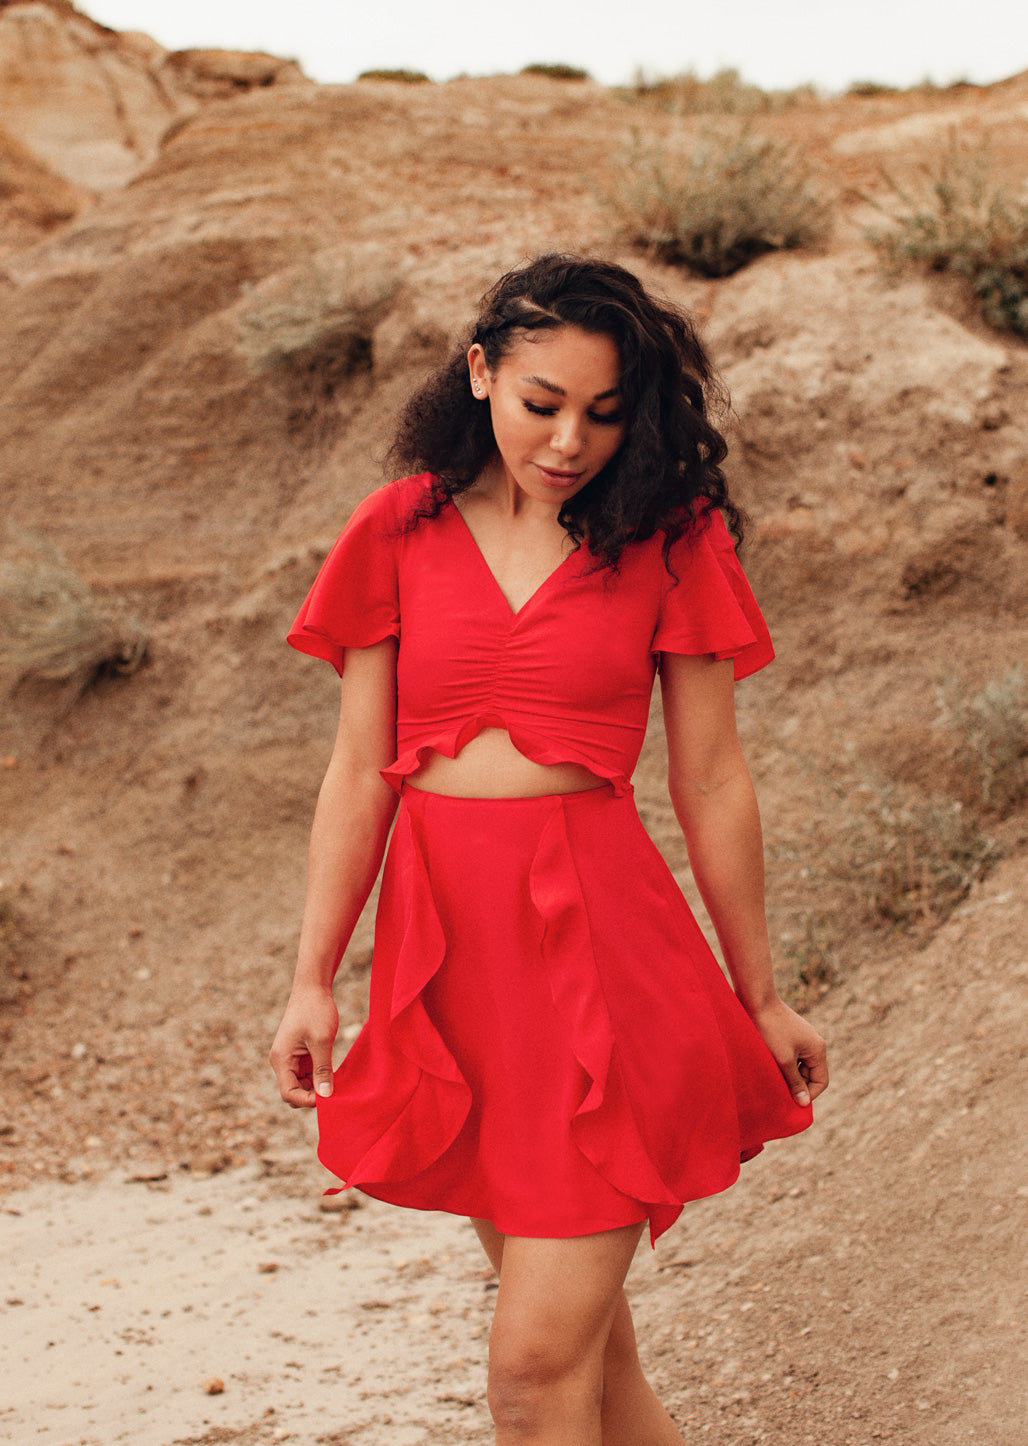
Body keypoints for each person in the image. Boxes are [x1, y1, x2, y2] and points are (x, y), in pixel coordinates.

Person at [269, 253, 828, 1445]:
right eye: (541, 403)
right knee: (594, 1373)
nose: (569, 439)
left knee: (530, 1374)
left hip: (609, 975)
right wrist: (315, 977)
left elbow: (711, 779)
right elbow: (356, 775)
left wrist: (761, 993)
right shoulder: (398, 529)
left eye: (604, 412)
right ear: (480, 373)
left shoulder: (665, 538)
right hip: (458, 985)